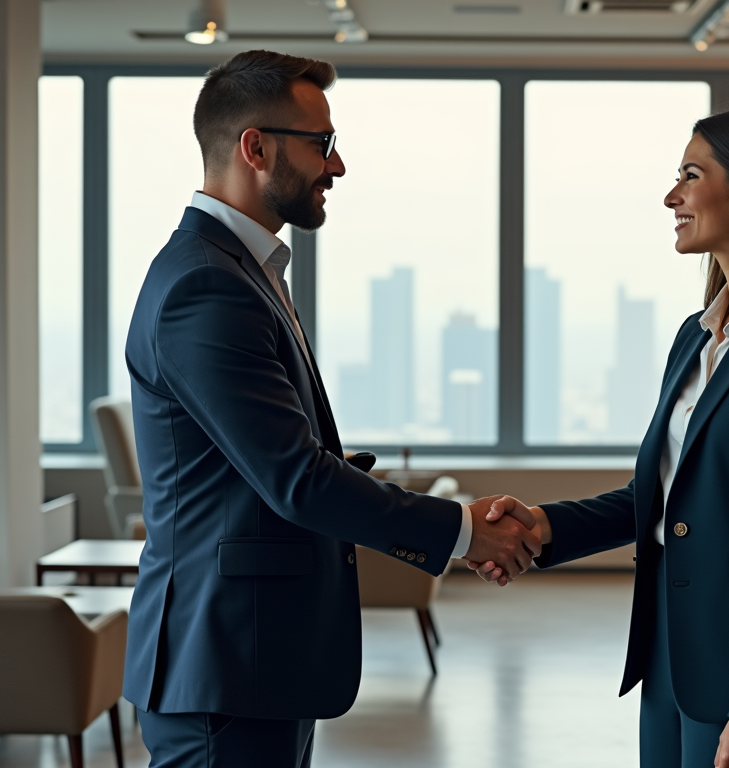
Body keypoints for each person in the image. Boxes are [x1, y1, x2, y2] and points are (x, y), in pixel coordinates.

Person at [122, 50, 540, 768]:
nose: (337, 167)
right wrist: (465, 530)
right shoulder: (207, 287)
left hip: (253, 664)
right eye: (322, 145)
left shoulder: (241, 273)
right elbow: (295, 481)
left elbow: (262, 468)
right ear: (256, 146)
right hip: (226, 668)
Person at [474, 110, 729, 767]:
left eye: (690, 175)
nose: (671, 196)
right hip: (671, 658)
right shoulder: (696, 334)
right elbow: (662, 498)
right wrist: (542, 525)